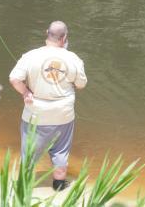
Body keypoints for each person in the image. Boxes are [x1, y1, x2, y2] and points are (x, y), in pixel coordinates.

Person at [8, 20, 87, 191]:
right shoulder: (73, 58)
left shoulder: (30, 56)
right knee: (61, 149)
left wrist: (25, 92)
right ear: (64, 37)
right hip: (63, 113)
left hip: (35, 112)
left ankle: (25, 186)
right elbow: (81, 84)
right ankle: (59, 184)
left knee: (30, 150)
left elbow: (14, 79)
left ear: (46, 33)